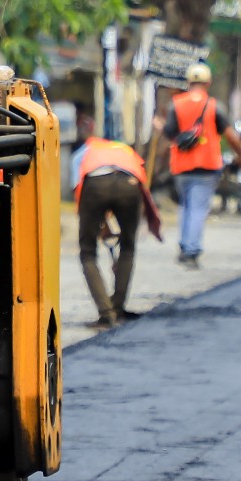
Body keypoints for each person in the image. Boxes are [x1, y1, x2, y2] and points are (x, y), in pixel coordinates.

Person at [73, 116, 163, 327]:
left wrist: (95, 226)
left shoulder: (85, 151)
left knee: (87, 250)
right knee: (128, 245)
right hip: (129, 182)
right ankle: (118, 307)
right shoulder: (124, 149)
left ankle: (106, 314)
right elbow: (140, 179)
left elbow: (79, 187)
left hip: (95, 183)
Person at [156, 61, 241, 268]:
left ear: (189, 82)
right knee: (198, 208)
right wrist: (240, 154)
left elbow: (169, 133)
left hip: (181, 166)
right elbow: (231, 136)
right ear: (208, 82)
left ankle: (185, 244)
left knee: (186, 205)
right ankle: (191, 251)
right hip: (207, 165)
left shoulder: (175, 104)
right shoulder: (215, 106)